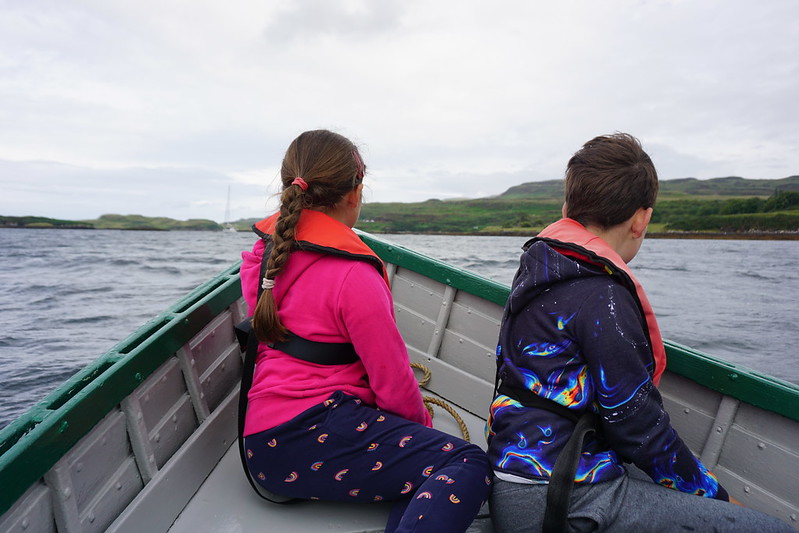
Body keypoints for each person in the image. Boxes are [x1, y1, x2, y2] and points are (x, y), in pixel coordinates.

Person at [486, 133, 791, 532]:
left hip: (513, 476)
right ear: (641, 219)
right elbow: (636, 427)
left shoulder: (542, 268)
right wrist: (715, 495)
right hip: (557, 497)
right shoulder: (603, 296)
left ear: (567, 209)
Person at [239, 129, 492, 532]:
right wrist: (420, 426)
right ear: (354, 193)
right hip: (312, 435)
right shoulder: (354, 276)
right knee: (466, 462)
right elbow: (392, 381)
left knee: (422, 464)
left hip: (260, 446)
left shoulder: (263, 256)